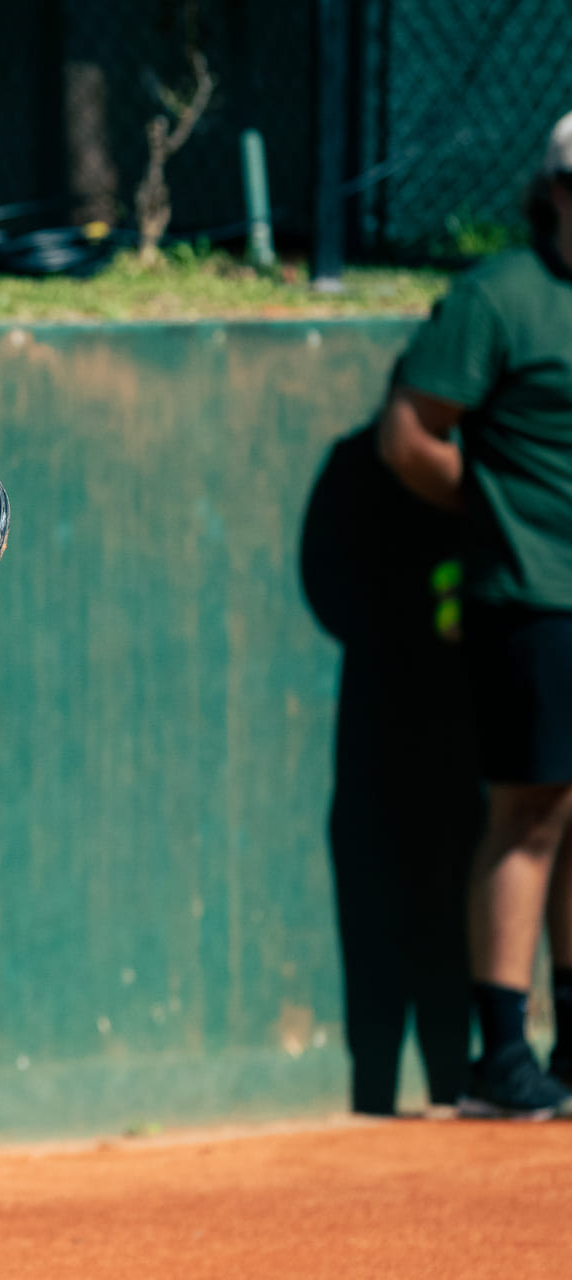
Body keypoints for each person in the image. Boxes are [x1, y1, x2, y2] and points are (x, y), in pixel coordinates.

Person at [377, 111, 572, 1119]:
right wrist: (497, 511)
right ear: (554, 193)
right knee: (531, 811)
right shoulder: (502, 298)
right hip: (531, 594)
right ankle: (502, 1055)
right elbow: (410, 434)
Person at [301, 424, 480, 1115]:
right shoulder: (356, 463)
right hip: (378, 747)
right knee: (379, 913)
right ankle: (373, 1096)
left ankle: (460, 1086)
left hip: (465, 748)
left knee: (453, 901)